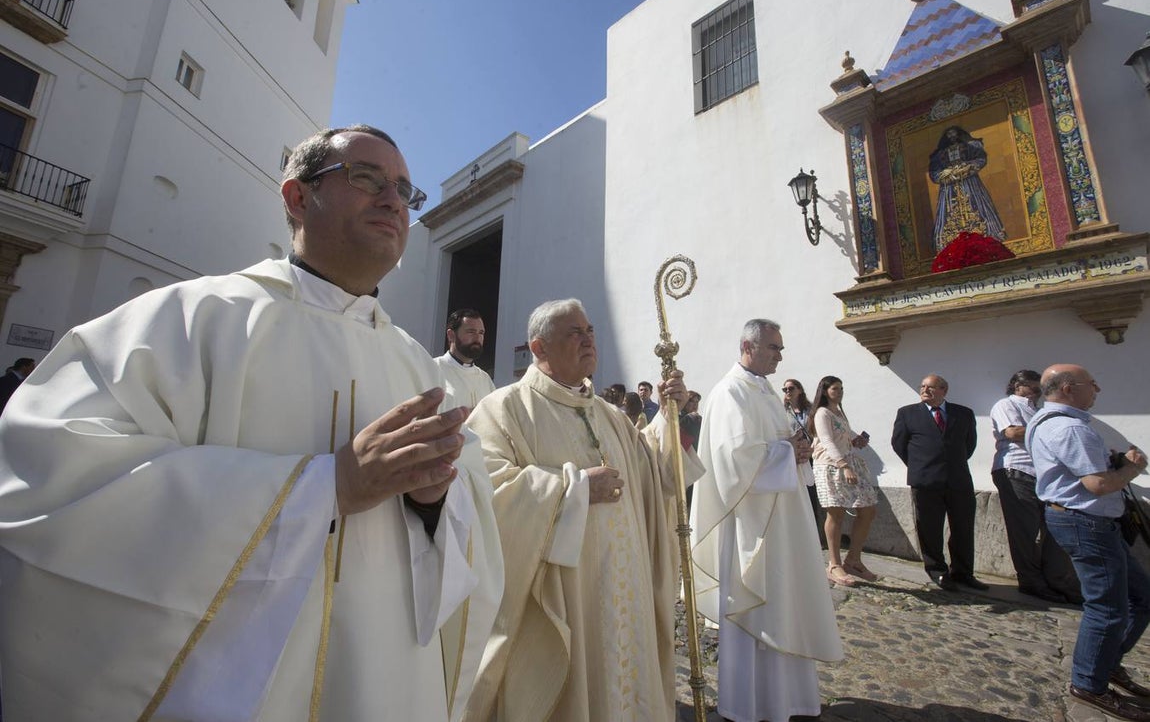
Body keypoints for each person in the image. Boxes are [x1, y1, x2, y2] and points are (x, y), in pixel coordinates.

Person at [0, 125, 503, 721]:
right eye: (367, 178)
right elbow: (52, 469)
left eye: (404, 190)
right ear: (298, 197)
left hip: (384, 675)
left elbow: (472, 508)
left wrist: (434, 499)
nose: (393, 200)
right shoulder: (193, 318)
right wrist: (327, 487)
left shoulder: (418, 365)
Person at [462, 298, 703, 722]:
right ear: (538, 347)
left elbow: (654, 475)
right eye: (574, 332)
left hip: (625, 589)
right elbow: (484, 488)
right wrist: (573, 489)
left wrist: (670, 416)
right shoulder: (504, 409)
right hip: (567, 595)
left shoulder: (610, 415)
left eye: (590, 330)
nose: (588, 339)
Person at [692, 319, 843, 722]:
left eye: (780, 348)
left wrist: (797, 451)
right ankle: (748, 704)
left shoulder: (763, 390)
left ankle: (788, 699)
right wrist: (787, 451)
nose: (780, 356)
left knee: (785, 601)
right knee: (758, 607)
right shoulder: (730, 392)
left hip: (781, 521)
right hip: (750, 525)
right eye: (774, 347)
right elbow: (732, 459)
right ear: (748, 346)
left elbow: (775, 445)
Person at [1029, 364, 1150, 721]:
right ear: (1068, 388)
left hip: (1088, 521)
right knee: (1108, 608)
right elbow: (1098, 485)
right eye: (1091, 384)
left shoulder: (1050, 420)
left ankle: (1104, 664)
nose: (1097, 389)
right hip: (1086, 523)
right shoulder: (1069, 428)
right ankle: (1089, 683)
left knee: (1141, 596)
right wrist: (1132, 467)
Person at [990, 369, 1080, 603]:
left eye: (1039, 387)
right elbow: (1012, 432)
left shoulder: (1040, 412)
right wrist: (1051, 429)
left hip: (1045, 474)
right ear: (1017, 386)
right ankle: (1030, 581)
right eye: (1032, 386)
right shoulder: (1007, 404)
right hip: (1016, 470)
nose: (1037, 391)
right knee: (1024, 531)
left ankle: (1056, 580)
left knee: (1055, 527)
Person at [891, 374, 987, 591]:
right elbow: (899, 444)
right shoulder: (907, 413)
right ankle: (937, 571)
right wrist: (920, 465)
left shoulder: (963, 413)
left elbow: (969, 445)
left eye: (931, 387)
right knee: (930, 529)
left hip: (958, 479)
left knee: (963, 528)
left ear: (944, 390)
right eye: (923, 386)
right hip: (926, 481)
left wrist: (951, 462)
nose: (925, 390)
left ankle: (963, 572)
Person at [808, 375, 879, 587]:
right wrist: (843, 465)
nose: (839, 392)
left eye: (841, 388)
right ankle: (834, 564)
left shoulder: (839, 412)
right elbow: (826, 440)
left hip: (848, 463)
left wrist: (855, 442)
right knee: (836, 513)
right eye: (835, 389)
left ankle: (853, 559)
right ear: (825, 391)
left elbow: (840, 439)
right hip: (831, 466)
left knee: (868, 509)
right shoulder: (822, 412)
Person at [929, 124, 1007, 251]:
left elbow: (980, 159)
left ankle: (988, 234)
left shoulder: (970, 146)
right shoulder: (940, 154)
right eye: (949, 134)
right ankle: (947, 242)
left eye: (953, 132)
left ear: (958, 133)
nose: (952, 136)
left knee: (977, 204)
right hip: (949, 187)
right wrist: (945, 173)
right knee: (948, 211)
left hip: (970, 182)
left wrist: (967, 166)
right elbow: (934, 173)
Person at [783, 377, 825, 547]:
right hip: (795, 457)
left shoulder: (811, 410)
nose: (787, 392)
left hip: (812, 456)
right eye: (785, 389)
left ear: (799, 390)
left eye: (791, 388)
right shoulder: (783, 412)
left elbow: (819, 432)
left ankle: (814, 535)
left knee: (812, 494)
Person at [435, 308, 497, 408]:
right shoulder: (434, 369)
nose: (477, 338)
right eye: (471, 332)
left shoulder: (485, 379)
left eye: (481, 333)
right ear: (451, 335)